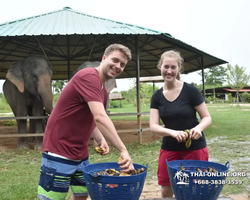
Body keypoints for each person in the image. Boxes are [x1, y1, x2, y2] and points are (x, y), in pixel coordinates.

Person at [37, 44, 134, 200]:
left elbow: (91, 117)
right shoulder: (88, 76)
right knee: (52, 198)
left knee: (82, 194)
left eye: (122, 64)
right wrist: (123, 149)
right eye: (115, 60)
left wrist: (100, 138)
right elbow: (100, 117)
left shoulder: (102, 91)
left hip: (80, 153)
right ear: (104, 58)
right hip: (59, 150)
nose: (118, 66)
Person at [149, 50, 212, 198]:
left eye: (173, 67)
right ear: (160, 67)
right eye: (166, 67)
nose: (169, 71)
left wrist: (198, 128)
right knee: (167, 191)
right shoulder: (157, 96)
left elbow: (207, 117)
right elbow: (153, 126)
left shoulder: (190, 90)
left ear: (178, 69)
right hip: (170, 149)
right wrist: (172, 132)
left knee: (192, 189)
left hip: (194, 149)